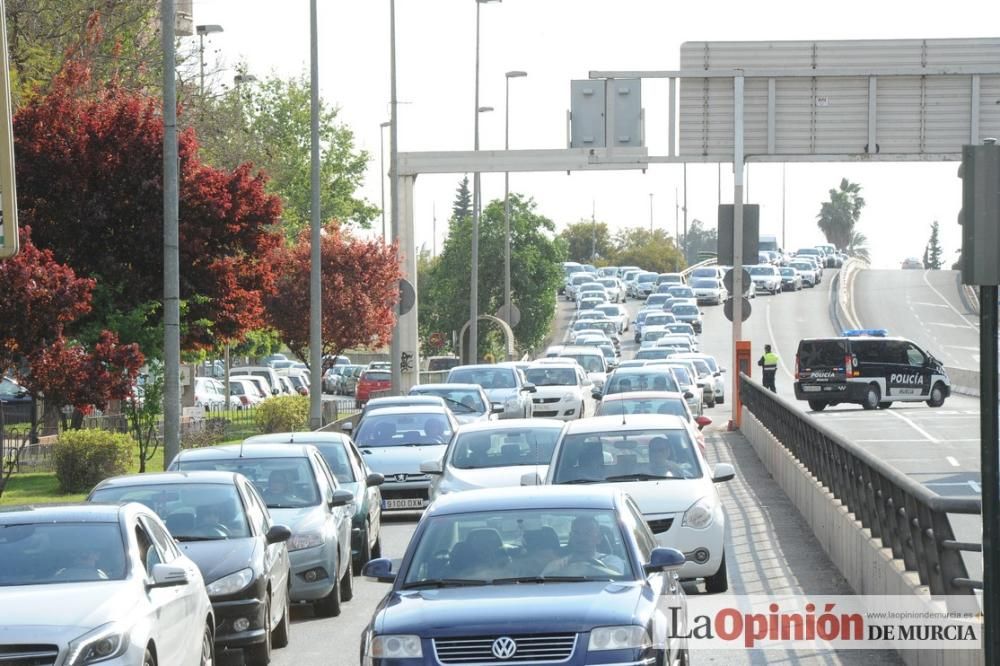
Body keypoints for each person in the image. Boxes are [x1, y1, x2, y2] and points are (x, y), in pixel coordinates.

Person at [541, 516, 624, 576]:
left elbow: (616, 579)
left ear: (599, 538)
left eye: (588, 533)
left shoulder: (612, 560)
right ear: (571, 537)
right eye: (576, 533)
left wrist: (583, 567)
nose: (581, 538)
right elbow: (542, 584)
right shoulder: (557, 564)